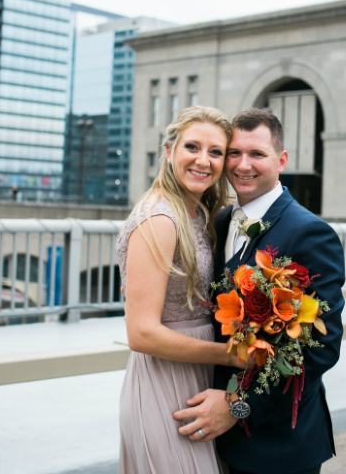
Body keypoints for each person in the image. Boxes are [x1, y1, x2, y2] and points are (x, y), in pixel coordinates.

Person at [173, 109, 346, 474]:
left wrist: (237, 406)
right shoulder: (219, 220)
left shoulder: (310, 233)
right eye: (234, 153)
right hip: (213, 432)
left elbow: (318, 352)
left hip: (276, 444)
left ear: (281, 160)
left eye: (257, 154)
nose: (242, 165)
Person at [116, 105, 248, 474]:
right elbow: (141, 333)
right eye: (192, 147)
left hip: (196, 374)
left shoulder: (201, 213)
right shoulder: (160, 219)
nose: (203, 160)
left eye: (216, 152)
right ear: (169, 150)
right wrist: (233, 357)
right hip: (165, 383)